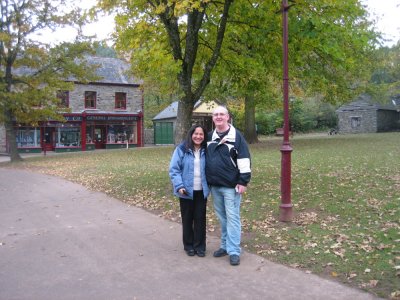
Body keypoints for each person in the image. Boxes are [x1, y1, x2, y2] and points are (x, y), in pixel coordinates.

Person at [206, 106, 251, 266]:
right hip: (215, 186)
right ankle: (225, 246)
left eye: (221, 114)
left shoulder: (236, 136)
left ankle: (234, 251)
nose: (218, 117)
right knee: (222, 218)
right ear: (213, 118)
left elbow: (244, 159)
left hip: (231, 186)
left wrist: (243, 181)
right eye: (215, 114)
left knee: (232, 218)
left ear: (228, 117)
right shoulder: (210, 136)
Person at [169, 124, 210, 257]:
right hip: (185, 191)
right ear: (191, 134)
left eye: (201, 134)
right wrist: (179, 186)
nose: (198, 136)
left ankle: (200, 246)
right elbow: (174, 169)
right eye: (196, 134)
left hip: (201, 191)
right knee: (187, 219)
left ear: (204, 136)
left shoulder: (207, 149)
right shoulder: (182, 149)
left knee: (200, 219)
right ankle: (189, 245)